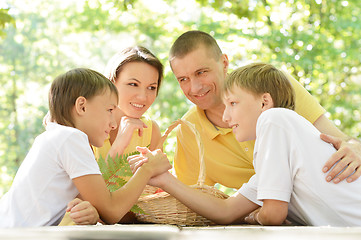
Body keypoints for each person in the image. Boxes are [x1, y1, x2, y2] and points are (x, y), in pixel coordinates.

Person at [129, 63, 361, 226]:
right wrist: (163, 179)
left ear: (264, 102)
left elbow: (272, 214)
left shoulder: (276, 119)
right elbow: (226, 211)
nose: (227, 117)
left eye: (233, 103)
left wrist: (255, 216)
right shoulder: (277, 162)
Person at [169, 30, 361, 189]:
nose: (194, 88)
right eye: (183, 79)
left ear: (224, 63)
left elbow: (341, 140)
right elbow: (195, 199)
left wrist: (355, 147)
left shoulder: (274, 85)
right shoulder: (188, 130)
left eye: (201, 72)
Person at [0, 68, 171, 227]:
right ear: (82, 106)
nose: (113, 124)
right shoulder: (71, 138)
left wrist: (92, 210)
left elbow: (99, 202)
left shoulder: (56, 136)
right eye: (110, 110)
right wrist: (148, 168)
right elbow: (111, 211)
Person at [59, 46, 164, 225]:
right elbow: (85, 199)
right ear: (112, 82)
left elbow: (154, 195)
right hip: (71, 227)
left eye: (151, 87)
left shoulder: (150, 130)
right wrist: (119, 145)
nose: (143, 96)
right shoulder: (83, 126)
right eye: (133, 84)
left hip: (129, 228)